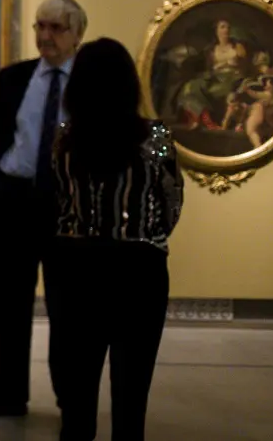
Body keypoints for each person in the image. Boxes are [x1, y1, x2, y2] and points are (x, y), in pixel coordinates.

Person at [50, 37, 183, 441]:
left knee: (77, 396)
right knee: (131, 394)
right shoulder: (155, 137)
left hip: (77, 268)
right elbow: (171, 204)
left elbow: (60, 200)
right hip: (139, 270)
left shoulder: (66, 139)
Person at [0, 0, 87, 416]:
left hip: (66, 204)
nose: (45, 36)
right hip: (12, 201)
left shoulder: (88, 83)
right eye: (40, 26)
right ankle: (8, 394)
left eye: (56, 28)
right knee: (7, 306)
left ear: (77, 34)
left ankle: (70, 398)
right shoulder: (14, 77)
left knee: (68, 307)